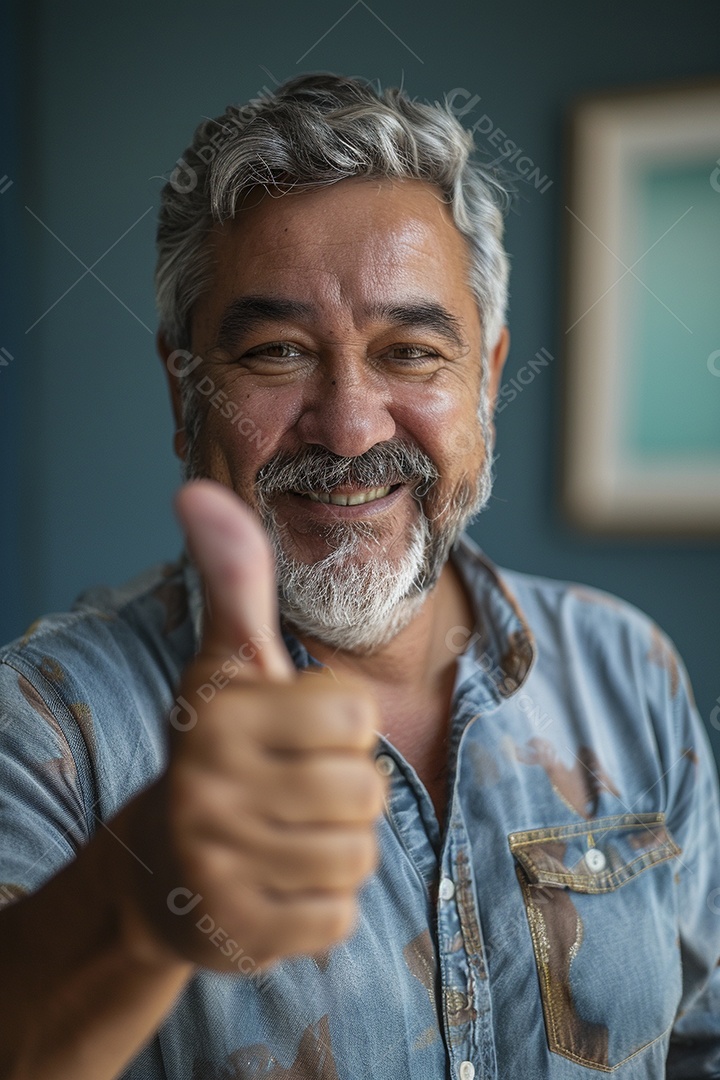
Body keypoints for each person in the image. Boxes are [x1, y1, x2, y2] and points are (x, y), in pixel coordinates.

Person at [1, 73, 718, 1080]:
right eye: (277, 351)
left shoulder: (630, 668)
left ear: (487, 381)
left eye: (411, 351)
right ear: (184, 389)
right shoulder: (45, 725)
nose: (348, 426)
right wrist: (137, 912)